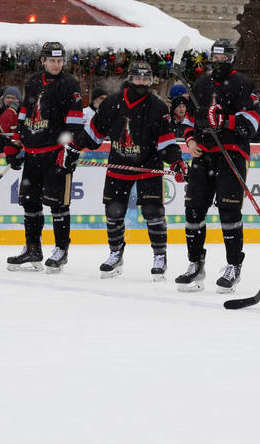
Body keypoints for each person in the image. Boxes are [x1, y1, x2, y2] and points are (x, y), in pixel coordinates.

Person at [70, 60, 186, 280]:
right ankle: (115, 253)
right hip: (119, 165)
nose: (141, 82)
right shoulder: (111, 102)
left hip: (148, 166)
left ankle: (160, 256)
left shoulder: (158, 106)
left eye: (146, 78)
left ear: (150, 80)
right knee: (113, 212)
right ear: (130, 78)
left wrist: (176, 162)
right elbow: (93, 134)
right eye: (138, 78)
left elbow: (166, 143)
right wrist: (75, 146)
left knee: (153, 213)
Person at [175, 38, 260, 293]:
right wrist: (190, 141)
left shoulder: (244, 84)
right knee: (193, 211)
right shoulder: (200, 84)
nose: (219, 63)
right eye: (216, 58)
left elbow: (252, 124)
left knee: (229, 213)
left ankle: (234, 266)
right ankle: (195, 264)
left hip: (231, 154)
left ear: (232, 58)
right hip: (202, 156)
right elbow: (189, 120)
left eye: (224, 59)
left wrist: (223, 119)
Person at [2, 41, 85, 274]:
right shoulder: (33, 81)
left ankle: (61, 250)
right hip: (32, 153)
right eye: (52, 60)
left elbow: (75, 122)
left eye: (60, 61)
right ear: (43, 61)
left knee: (58, 204)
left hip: (56, 155)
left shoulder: (70, 85)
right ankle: (32, 248)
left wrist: (70, 150)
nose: (56, 65)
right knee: (30, 203)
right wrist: (15, 143)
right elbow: (25, 114)